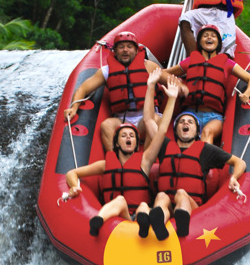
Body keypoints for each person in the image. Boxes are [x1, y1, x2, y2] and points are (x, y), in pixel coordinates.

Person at [65, 70, 179, 238]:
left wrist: (170, 98)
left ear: (136, 142)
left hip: (139, 215)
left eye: (132, 136)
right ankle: (97, 221)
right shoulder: (106, 164)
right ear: (116, 142)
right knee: (119, 201)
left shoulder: (145, 160)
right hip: (119, 219)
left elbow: (160, 130)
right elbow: (72, 173)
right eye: (124, 135)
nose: (128, 138)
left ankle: (145, 223)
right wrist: (75, 186)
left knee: (143, 207)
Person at [143, 71, 247, 240]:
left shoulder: (205, 149)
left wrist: (234, 177)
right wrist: (150, 86)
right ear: (176, 129)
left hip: (192, 207)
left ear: (197, 131)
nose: (186, 124)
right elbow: (148, 121)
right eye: (182, 122)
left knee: (181, 193)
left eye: (190, 122)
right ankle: (160, 223)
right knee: (161, 196)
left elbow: (239, 162)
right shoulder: (165, 146)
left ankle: (183, 225)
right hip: (168, 204)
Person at [64, 31, 172, 151]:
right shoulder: (106, 71)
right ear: (115, 51)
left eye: (129, 47)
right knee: (106, 125)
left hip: (146, 119)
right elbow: (83, 88)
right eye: (121, 47)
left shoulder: (149, 66)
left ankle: (146, 161)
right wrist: (74, 107)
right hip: (122, 121)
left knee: (154, 120)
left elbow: (172, 82)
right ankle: (115, 163)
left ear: (136, 50)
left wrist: (184, 89)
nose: (125, 50)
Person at [164, 23, 250, 144]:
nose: (209, 38)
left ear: (218, 43)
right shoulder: (190, 61)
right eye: (205, 36)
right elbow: (163, 73)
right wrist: (178, 85)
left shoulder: (227, 63)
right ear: (200, 42)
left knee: (207, 132)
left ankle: (205, 161)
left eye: (213, 36)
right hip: (190, 113)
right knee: (188, 133)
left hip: (214, 117)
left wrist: (247, 94)